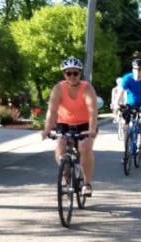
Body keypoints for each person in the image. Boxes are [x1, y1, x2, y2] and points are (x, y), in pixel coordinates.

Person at [42, 57, 99, 197]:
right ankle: (65, 174)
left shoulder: (87, 88)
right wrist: (47, 129)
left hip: (84, 124)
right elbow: (52, 110)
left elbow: (93, 111)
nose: (72, 76)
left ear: (80, 73)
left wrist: (92, 130)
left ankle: (86, 183)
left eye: (75, 73)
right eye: (69, 73)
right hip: (65, 123)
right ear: (64, 74)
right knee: (60, 148)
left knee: (85, 148)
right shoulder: (58, 89)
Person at [114, 58, 141, 148]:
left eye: (139, 69)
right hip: (130, 104)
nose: (137, 71)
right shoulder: (127, 78)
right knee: (126, 126)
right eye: (135, 69)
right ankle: (126, 152)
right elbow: (120, 92)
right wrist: (116, 103)